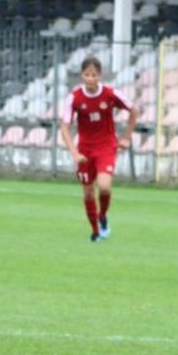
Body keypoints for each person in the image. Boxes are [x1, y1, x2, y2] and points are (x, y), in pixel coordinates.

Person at [58, 56, 134, 242]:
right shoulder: (74, 98)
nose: (90, 78)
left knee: (104, 187)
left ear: (100, 76)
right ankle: (95, 231)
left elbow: (134, 110)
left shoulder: (110, 94)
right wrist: (75, 153)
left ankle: (103, 216)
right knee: (88, 192)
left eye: (94, 75)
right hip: (85, 150)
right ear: (82, 75)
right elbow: (64, 127)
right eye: (87, 75)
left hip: (106, 146)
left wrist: (126, 137)